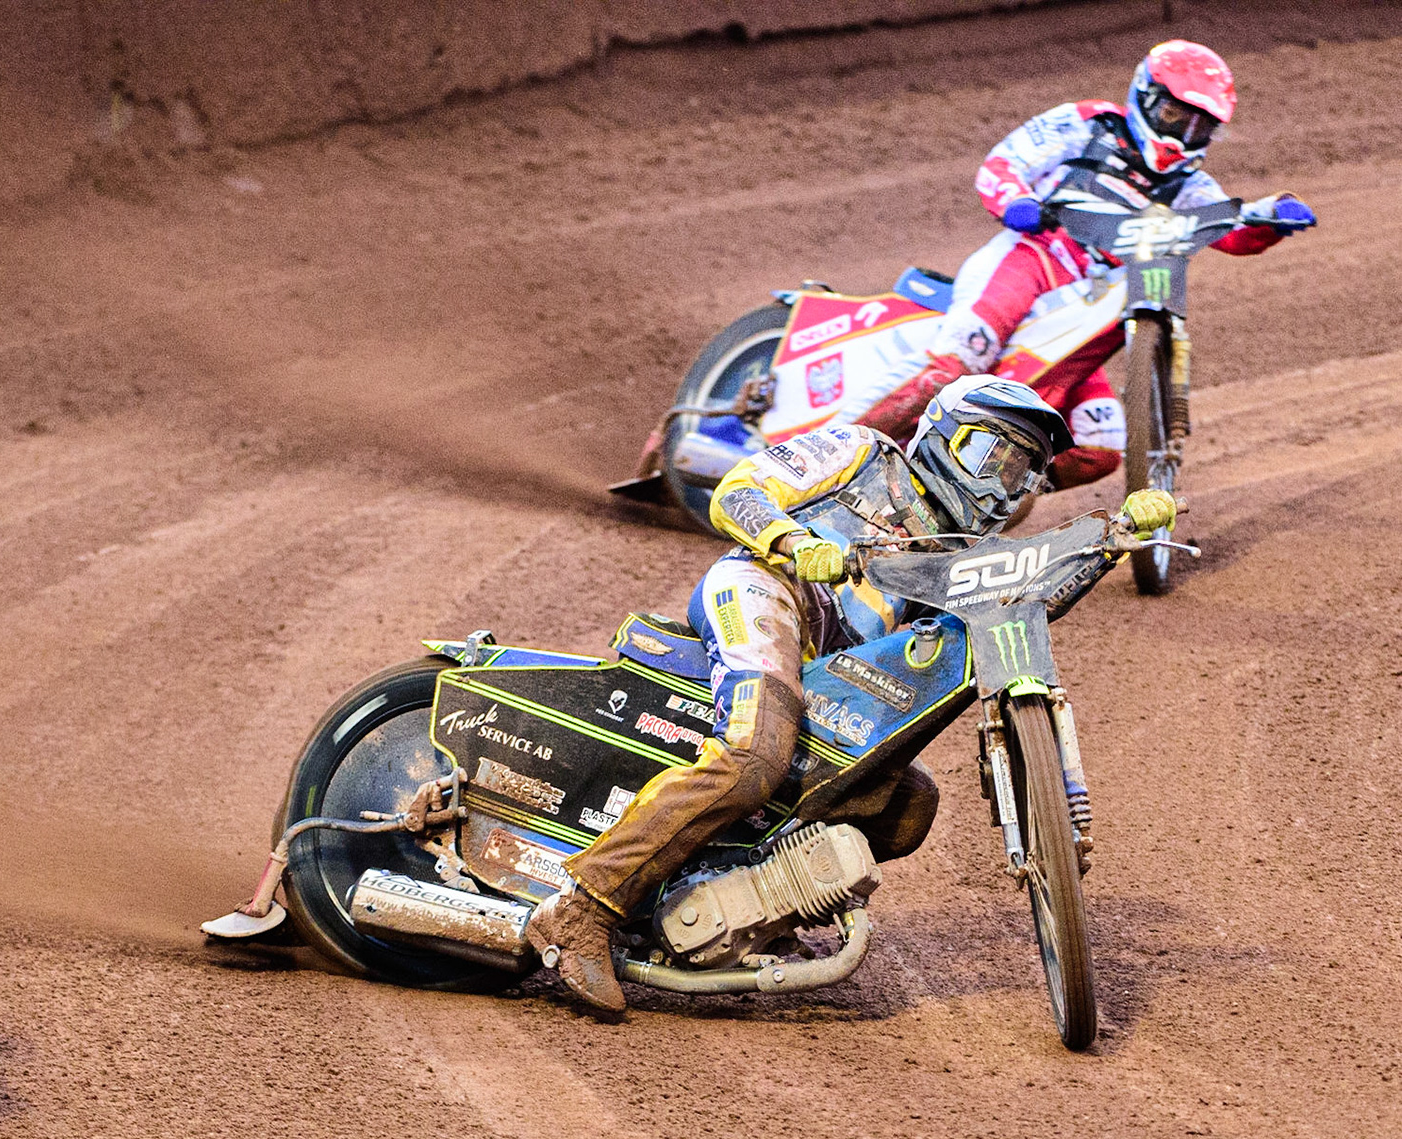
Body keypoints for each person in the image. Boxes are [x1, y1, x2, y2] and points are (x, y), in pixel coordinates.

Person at [525, 376, 1176, 1013]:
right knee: (756, 752)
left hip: (828, 666)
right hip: (768, 589)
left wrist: (1111, 538)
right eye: (992, 454)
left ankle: (747, 893)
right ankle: (584, 906)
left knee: (907, 805)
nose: (1003, 484)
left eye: (1021, 472)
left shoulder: (965, 552)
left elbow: (1027, 599)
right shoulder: (865, 454)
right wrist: (795, 542)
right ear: (945, 436)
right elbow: (740, 489)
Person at [847, 40, 1316, 489]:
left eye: (1200, 127)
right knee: (957, 365)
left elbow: (1230, 232)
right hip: (1033, 261)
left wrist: (1272, 216)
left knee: (1099, 449)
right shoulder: (1086, 124)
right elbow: (1004, 163)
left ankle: (985, 499)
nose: (1184, 135)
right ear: (1147, 97)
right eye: (1176, 116)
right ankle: (838, 457)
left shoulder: (1190, 187)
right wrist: (1016, 202)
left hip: (1089, 310)